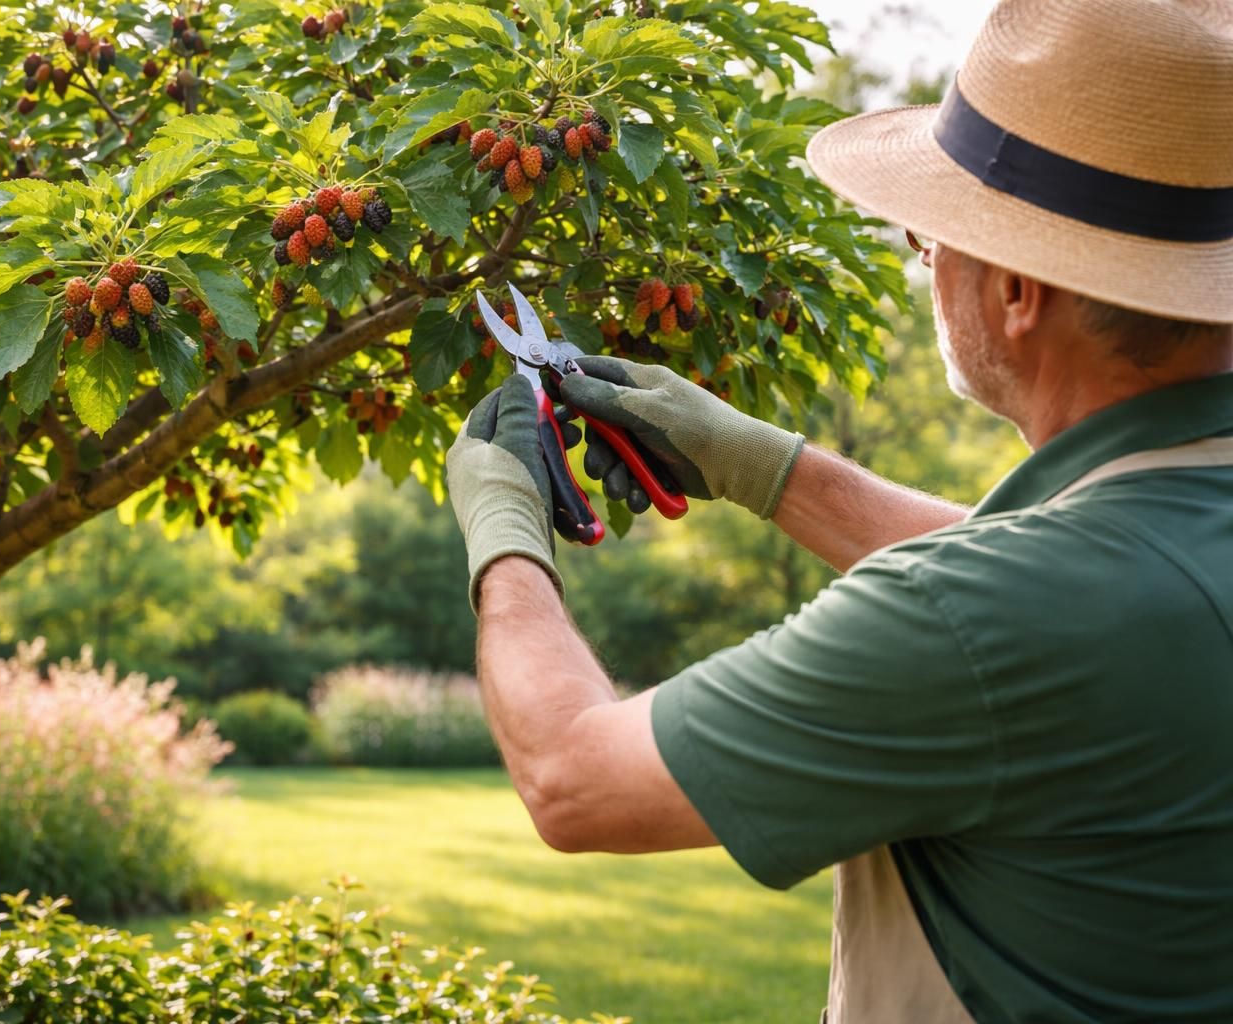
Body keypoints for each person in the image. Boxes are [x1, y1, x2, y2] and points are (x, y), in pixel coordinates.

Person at [443, 1, 1233, 1020]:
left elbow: (570, 777)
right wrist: (772, 469)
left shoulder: (975, 619)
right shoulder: (1151, 548)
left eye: (929, 238)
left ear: (1019, 290)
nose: (925, 262)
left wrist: (503, 533)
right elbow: (1091, 581)